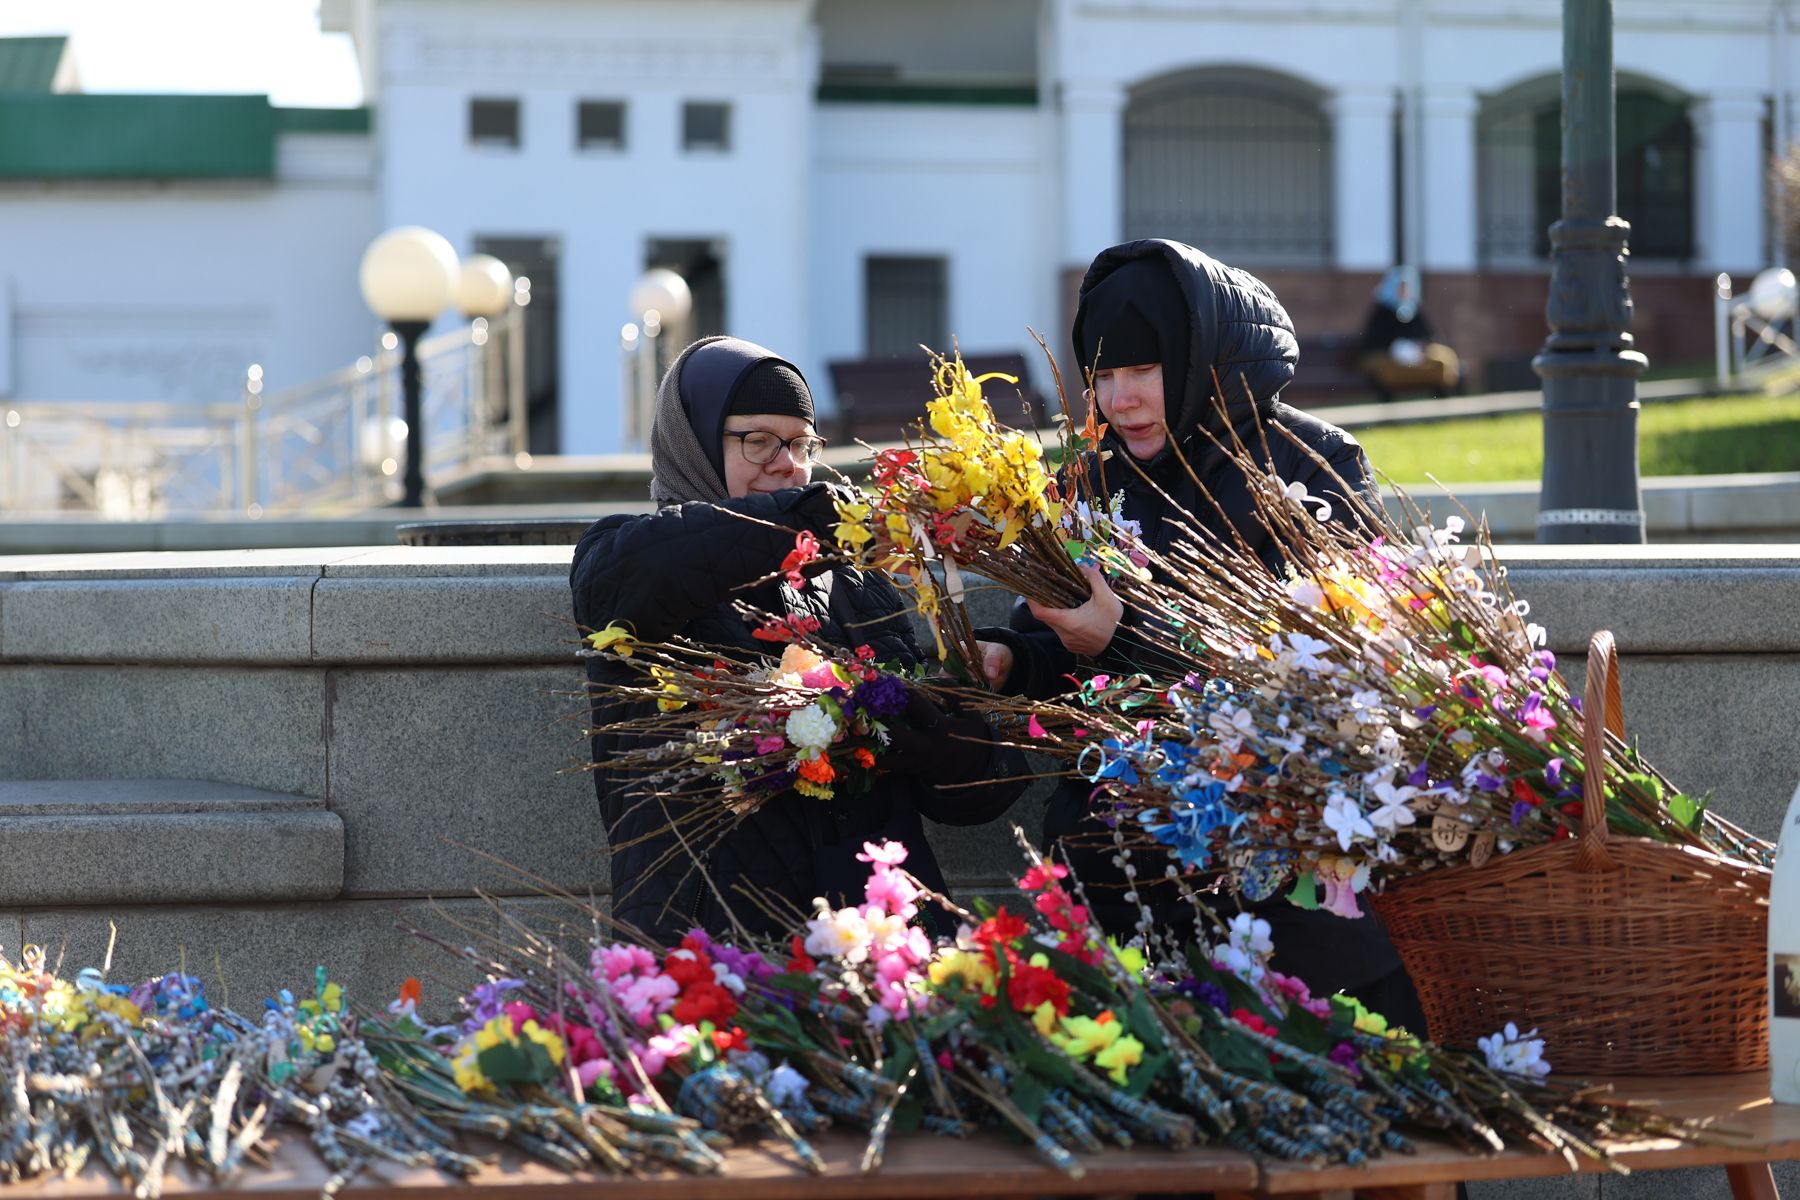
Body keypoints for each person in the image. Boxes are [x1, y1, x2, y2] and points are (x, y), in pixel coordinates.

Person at [975, 240, 1424, 1028]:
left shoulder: (1308, 463)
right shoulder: (1092, 477)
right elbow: (1067, 648)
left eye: (1141, 371)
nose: (1119, 401)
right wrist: (1016, 656)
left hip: (1291, 848)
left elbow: (1345, 660)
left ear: (1197, 358)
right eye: (1102, 378)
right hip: (1124, 848)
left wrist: (1131, 626)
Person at [572, 335, 1026, 944]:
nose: (785, 463)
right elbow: (645, 577)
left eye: (801, 444)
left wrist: (946, 737)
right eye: (757, 441)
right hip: (718, 936)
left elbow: (967, 801)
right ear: (696, 440)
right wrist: (819, 515)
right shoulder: (620, 555)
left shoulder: (858, 589)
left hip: (876, 938)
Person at [1358, 266, 1461, 401]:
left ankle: (1443, 402)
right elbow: (1375, 338)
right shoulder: (1381, 311)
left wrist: (1421, 344)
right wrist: (1397, 345)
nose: (1403, 291)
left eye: (1406, 287)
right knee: (1385, 369)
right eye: (1400, 287)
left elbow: (1427, 333)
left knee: (1442, 358)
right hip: (1390, 355)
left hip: (1416, 354)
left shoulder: (1414, 308)